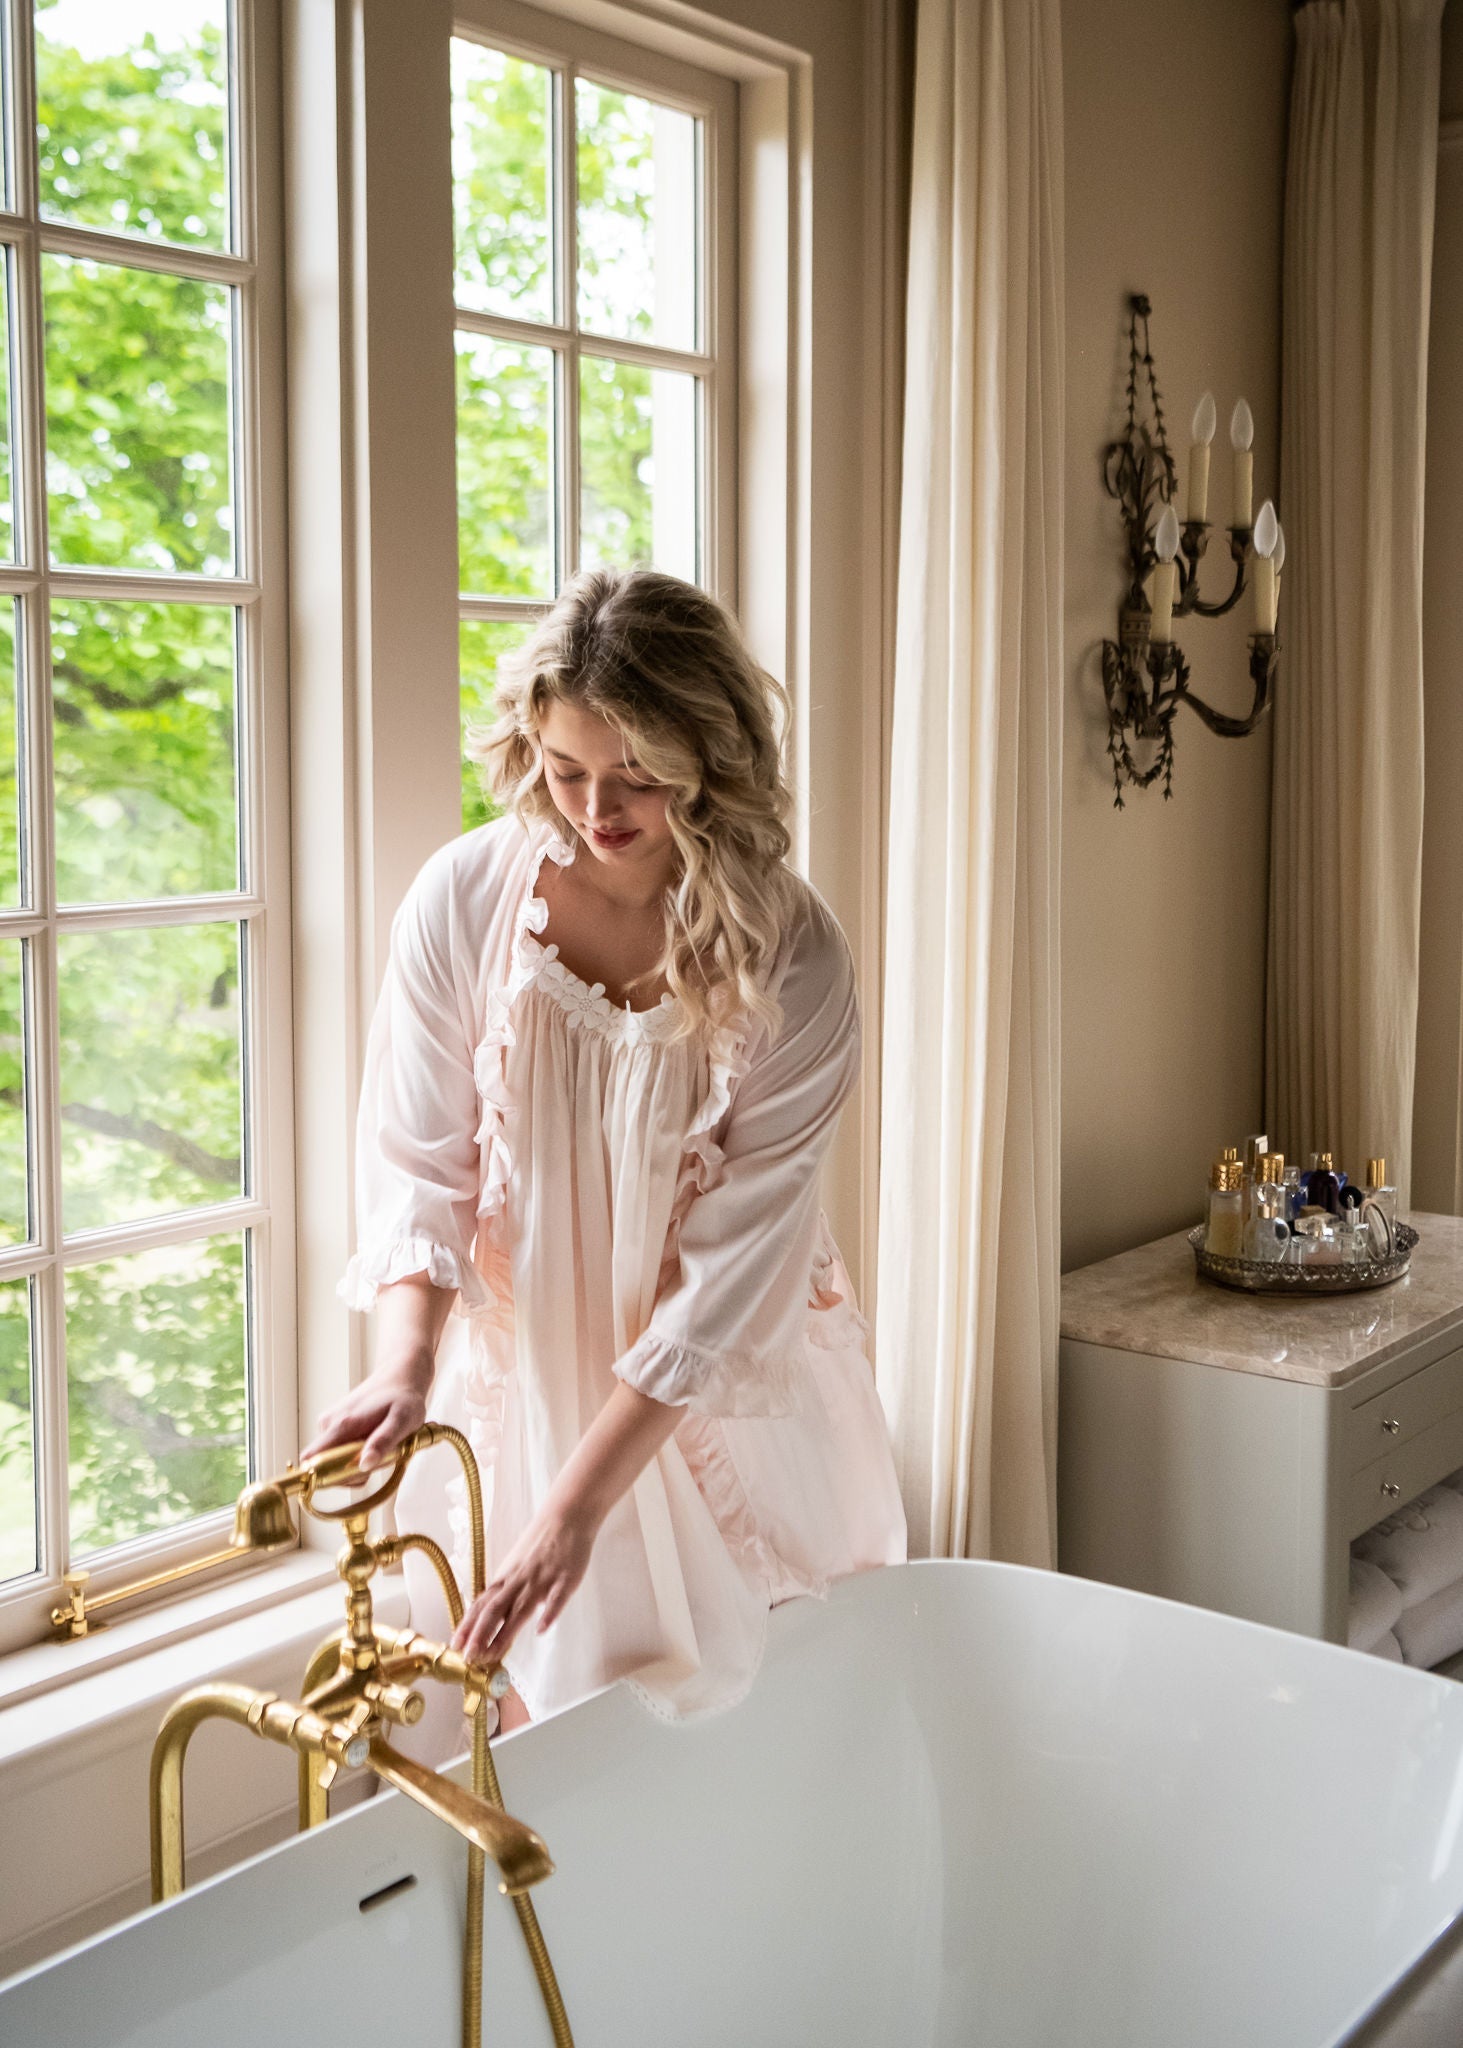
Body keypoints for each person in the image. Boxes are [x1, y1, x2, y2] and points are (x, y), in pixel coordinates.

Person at [305, 567, 906, 1731]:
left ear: (709, 756)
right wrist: (404, 1363)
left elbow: (731, 1282)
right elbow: (422, 1167)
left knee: (757, 1735)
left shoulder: (795, 959)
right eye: (564, 768)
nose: (595, 806)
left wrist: (577, 1509)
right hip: (522, 1388)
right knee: (538, 1747)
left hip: (712, 1399)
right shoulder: (465, 899)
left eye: (634, 774)